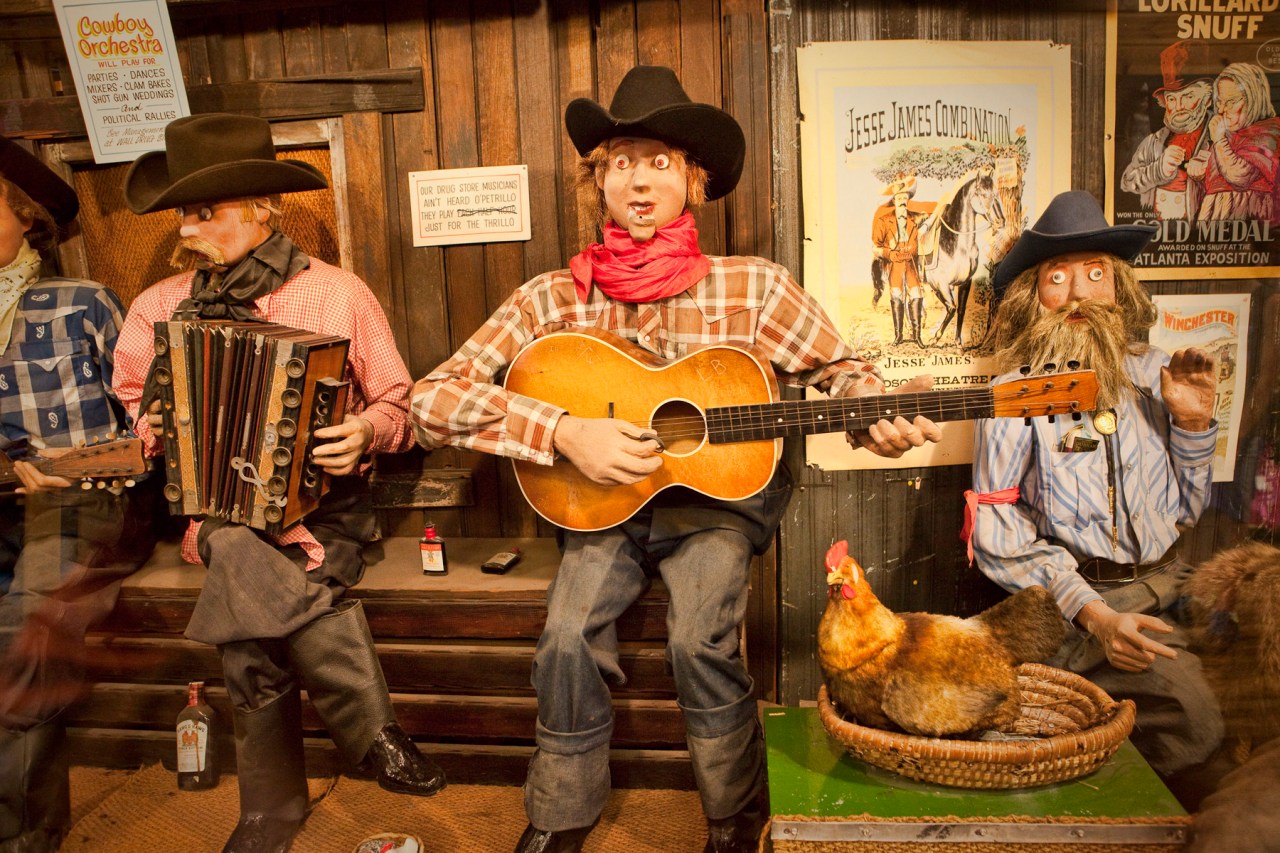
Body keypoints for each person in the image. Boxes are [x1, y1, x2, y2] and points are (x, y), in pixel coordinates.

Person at [411, 65, 941, 853]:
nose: (638, 179)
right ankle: (561, 811)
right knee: (565, 637)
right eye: (621, 161)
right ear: (599, 182)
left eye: (659, 162)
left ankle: (732, 813)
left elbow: (843, 374)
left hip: (713, 506)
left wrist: (876, 415)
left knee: (699, 639)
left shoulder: (754, 288)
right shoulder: (552, 298)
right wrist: (561, 431)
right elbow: (430, 400)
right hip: (598, 503)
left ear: (693, 180)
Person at [111, 113, 445, 852]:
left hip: (323, 514)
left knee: (244, 613)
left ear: (264, 207)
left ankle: (269, 811)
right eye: (182, 213)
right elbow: (133, 398)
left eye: (205, 210)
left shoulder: (336, 294)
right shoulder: (158, 306)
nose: (187, 228)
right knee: (233, 540)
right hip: (216, 510)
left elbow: (401, 403)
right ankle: (375, 729)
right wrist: (155, 421)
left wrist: (365, 432)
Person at [968, 190, 1224, 805]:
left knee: (1224, 706)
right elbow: (998, 534)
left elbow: (1187, 511)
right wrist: (1098, 616)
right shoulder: (1014, 394)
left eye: (1096, 273)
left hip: (1170, 587)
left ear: (1119, 287)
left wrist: (1194, 426)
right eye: (1058, 278)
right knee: (1183, 719)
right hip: (1075, 605)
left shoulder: (1158, 373)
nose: (1079, 293)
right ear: (1034, 295)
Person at [0, 136, 160, 852]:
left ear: (26, 217)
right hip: (9, 503)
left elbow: (144, 419)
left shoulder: (81, 303)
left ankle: (22, 834)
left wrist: (115, 463)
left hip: (85, 498)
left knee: (22, 632)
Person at [1119, 40, 1211, 221]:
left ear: (1206, 100)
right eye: (1172, 99)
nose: (1178, 107)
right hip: (1156, 230)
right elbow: (1127, 182)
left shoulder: (1220, 138)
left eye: (1188, 96)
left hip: (1200, 232)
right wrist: (1159, 169)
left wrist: (1210, 172)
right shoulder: (1154, 141)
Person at [1186, 62, 1280, 223]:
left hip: (1249, 219)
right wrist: (1198, 174)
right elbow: (1212, 186)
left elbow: (1239, 175)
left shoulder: (1268, 133)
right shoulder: (1224, 136)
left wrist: (1219, 140)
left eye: (1230, 102)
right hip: (1214, 220)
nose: (1222, 110)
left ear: (1253, 99)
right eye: (1219, 102)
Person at [871, 176, 925, 346]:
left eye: (905, 198)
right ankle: (899, 336)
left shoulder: (914, 220)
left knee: (916, 295)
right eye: (899, 198)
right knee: (896, 296)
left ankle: (917, 337)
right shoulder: (883, 221)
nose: (902, 201)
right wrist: (889, 254)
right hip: (895, 265)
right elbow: (875, 248)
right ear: (893, 201)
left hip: (911, 265)